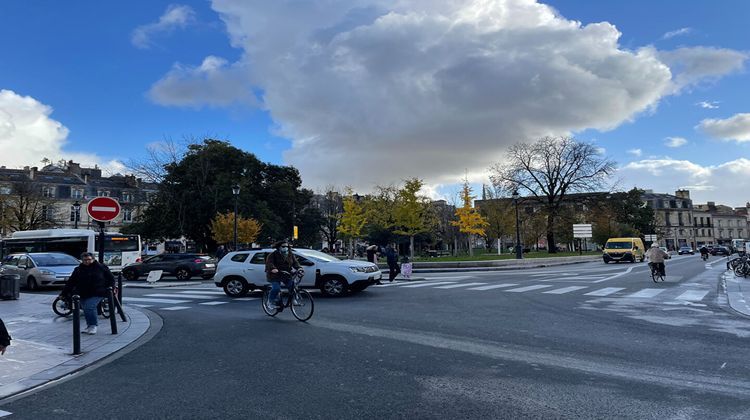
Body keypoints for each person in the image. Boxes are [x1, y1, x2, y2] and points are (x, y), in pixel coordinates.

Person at [60, 252, 115, 335]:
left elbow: (111, 278)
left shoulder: (101, 267)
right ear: (82, 260)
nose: (87, 261)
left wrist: (111, 288)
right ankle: (89, 325)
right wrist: (63, 293)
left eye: (89, 259)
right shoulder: (78, 269)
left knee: (90, 307)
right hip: (83, 292)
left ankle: (93, 325)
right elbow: (71, 282)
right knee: (86, 308)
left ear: (93, 259)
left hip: (98, 291)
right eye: (85, 260)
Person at [265, 241, 302, 310]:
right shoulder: (273, 255)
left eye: (287, 246)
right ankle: (270, 302)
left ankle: (293, 300)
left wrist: (299, 268)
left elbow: (295, 263)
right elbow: (269, 263)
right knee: (276, 288)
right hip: (275, 275)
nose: (285, 248)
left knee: (292, 286)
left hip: (286, 274)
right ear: (279, 247)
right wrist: (273, 268)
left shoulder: (290, 254)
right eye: (283, 246)